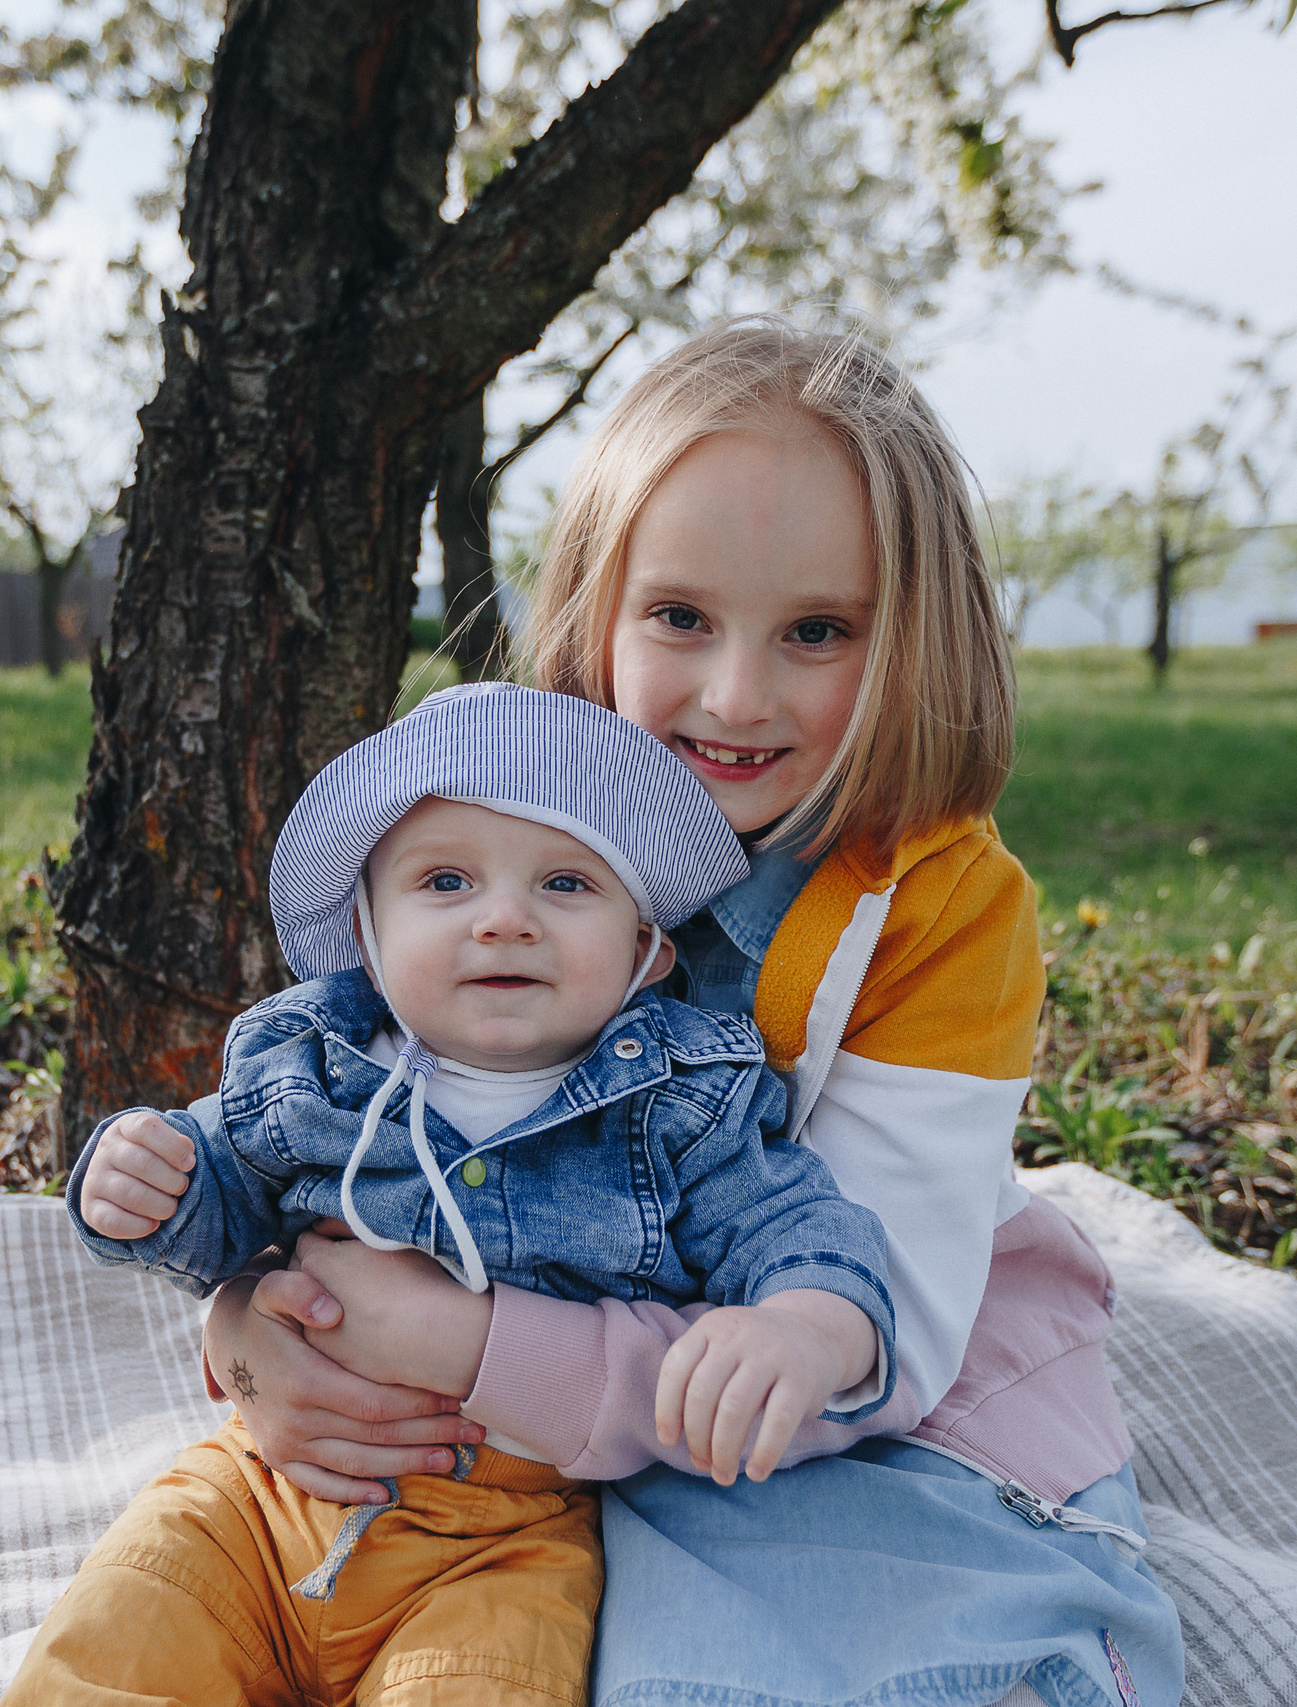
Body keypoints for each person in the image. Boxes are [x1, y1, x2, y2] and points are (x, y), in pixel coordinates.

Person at [207, 320, 1187, 1707]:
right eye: (679, 617)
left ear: (910, 636)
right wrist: (252, 1315)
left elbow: (877, 1340)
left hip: (868, 1411)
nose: (736, 695)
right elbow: (327, 1114)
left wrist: (466, 1346)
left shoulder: (941, 905)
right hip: (575, 1431)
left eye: (817, 631)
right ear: (596, 609)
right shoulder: (497, 828)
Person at [2, 683, 902, 1707]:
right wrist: (141, 1181)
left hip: (505, 1541)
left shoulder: (678, 1109)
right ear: (368, 932)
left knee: (484, 1685)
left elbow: (798, 1229)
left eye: (566, 885)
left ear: (647, 951)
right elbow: (213, 1213)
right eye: (444, 882)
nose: (505, 920)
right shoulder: (307, 1070)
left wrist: (805, 1328)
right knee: (117, 1635)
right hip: (257, 1495)